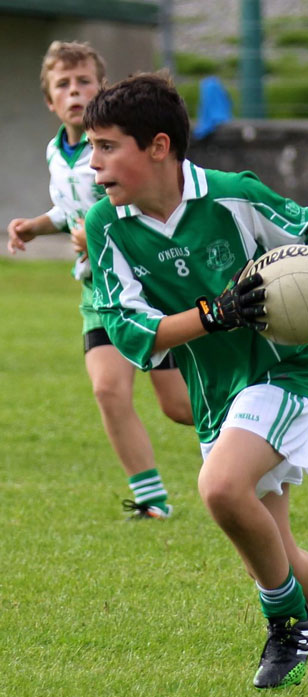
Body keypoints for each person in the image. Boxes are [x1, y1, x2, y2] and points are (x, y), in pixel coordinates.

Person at [83, 72, 308, 688]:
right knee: (278, 556)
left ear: (158, 147)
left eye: (107, 146)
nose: (93, 162)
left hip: (281, 372)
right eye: (91, 147)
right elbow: (128, 328)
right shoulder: (110, 227)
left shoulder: (233, 197)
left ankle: (289, 625)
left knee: (219, 489)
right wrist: (212, 315)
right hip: (218, 395)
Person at [7, 42, 193, 521]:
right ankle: (151, 499)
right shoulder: (57, 153)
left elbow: (141, 207)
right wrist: (36, 225)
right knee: (108, 391)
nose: (75, 91)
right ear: (50, 102)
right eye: (63, 85)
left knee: (177, 406)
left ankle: (253, 429)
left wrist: (102, 233)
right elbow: (71, 213)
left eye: (84, 81)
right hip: (99, 293)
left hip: (144, 288)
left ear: (101, 89)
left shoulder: (122, 151)